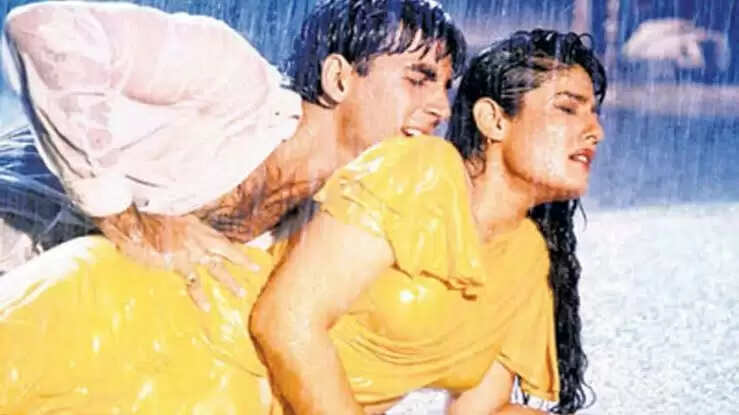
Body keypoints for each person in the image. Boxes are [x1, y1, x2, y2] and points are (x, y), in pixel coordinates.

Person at [0, 30, 605, 414]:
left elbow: (480, 412)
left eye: (595, 113)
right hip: (133, 324)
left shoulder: (528, 264)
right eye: (568, 108)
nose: (594, 130)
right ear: (493, 121)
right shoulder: (420, 169)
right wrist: (125, 216)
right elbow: (285, 322)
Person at [0, 0, 465, 307]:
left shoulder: (322, 215)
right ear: (339, 78)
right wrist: (124, 220)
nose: (441, 109)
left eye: (446, 88)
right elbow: (45, 30)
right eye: (418, 79)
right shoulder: (229, 79)